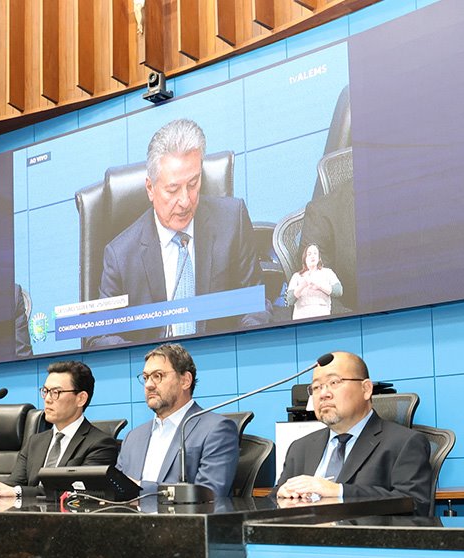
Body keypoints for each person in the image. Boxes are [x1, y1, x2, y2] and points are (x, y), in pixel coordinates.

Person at [91, 118, 267, 346]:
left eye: (193, 184)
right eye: (173, 189)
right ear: (150, 188)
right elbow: (101, 335)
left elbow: (256, 305)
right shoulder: (121, 255)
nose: (185, 201)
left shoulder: (232, 221)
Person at [275, 351, 433, 515]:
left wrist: (339, 491)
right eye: (316, 387)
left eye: (334, 382)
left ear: (366, 389)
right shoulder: (300, 447)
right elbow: (273, 499)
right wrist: (281, 495)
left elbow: (414, 505)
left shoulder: (404, 443)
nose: (323, 394)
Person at [0, 361, 119, 500]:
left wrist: (17, 492)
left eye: (56, 392)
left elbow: (77, 493)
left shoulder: (100, 444)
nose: (48, 399)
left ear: (81, 398)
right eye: (45, 391)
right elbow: (13, 484)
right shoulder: (35, 442)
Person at [116, 343, 239, 498]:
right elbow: (114, 490)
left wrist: (139, 489)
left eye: (158, 376)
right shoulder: (133, 437)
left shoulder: (217, 430)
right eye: (146, 378)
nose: (149, 385)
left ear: (185, 380)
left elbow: (209, 494)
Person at [288, 242, 342, 320]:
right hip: (301, 318)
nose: (312, 256)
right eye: (309, 254)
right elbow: (290, 300)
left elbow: (339, 291)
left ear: (319, 258)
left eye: (315, 253)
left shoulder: (328, 272)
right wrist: (304, 283)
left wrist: (319, 285)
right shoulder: (296, 276)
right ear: (305, 259)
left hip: (322, 316)